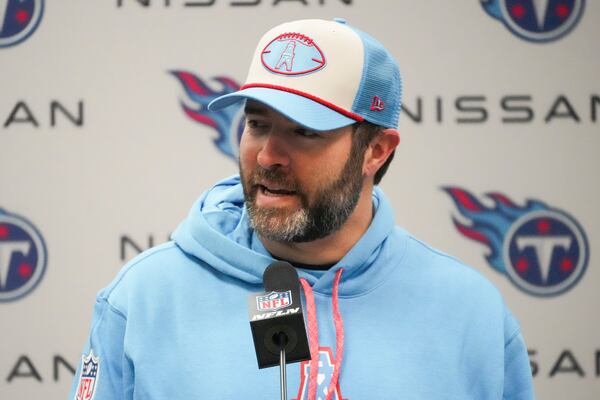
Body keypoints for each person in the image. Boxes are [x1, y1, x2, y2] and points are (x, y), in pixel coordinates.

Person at [69, 18, 535, 400]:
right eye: (257, 123)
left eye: (305, 132)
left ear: (376, 150)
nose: (268, 155)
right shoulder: (144, 299)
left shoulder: (471, 313)